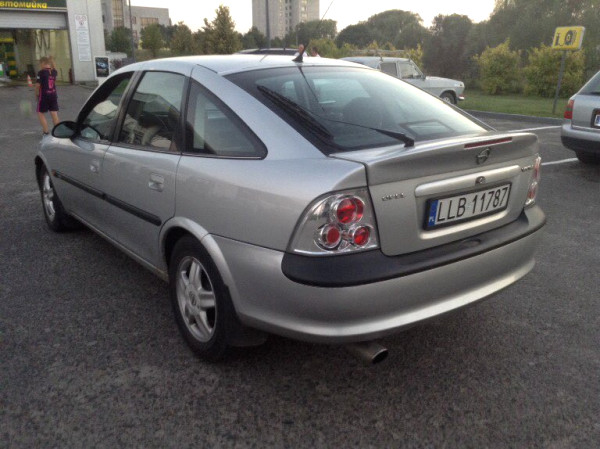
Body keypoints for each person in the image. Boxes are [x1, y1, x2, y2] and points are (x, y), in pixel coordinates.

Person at [36, 55, 60, 136]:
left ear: (43, 63)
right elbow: (54, 68)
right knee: (54, 113)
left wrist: (36, 93)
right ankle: (58, 132)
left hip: (44, 96)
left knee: (40, 113)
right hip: (53, 94)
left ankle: (46, 132)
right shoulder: (54, 72)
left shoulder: (41, 72)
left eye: (40, 63)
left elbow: (38, 85)